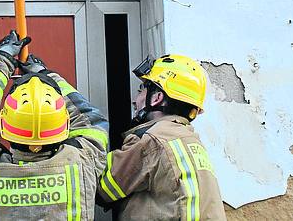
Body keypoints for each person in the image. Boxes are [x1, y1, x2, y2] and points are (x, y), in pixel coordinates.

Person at [0, 31, 109, 220]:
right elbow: (92, 122)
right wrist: (47, 76)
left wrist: (1, 59)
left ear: (5, 123)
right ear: (64, 125)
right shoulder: (81, 161)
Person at [96, 54, 226, 220]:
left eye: (141, 90)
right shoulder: (190, 140)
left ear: (157, 98)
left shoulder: (154, 140)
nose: (135, 100)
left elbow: (103, 188)